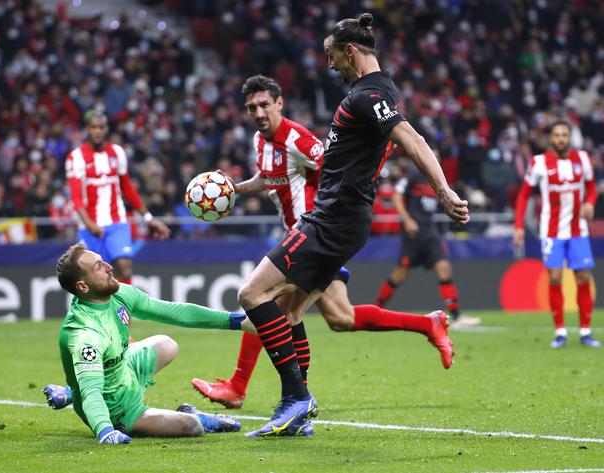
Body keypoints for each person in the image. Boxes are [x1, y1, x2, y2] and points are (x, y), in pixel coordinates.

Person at [234, 14, 469, 438]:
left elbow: (412, 140)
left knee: (251, 293)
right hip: (339, 217)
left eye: (330, 56)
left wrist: (444, 191)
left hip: (333, 219)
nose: (329, 66)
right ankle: (296, 413)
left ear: (350, 51)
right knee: (290, 313)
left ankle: (296, 398)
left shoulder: (370, 95)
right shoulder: (373, 91)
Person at [191, 75, 455, 412]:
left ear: (279, 103)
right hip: (302, 238)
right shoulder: (261, 140)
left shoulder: (297, 137)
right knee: (337, 317)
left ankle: (245, 387)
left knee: (266, 300)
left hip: (315, 236)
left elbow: (332, 167)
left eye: (264, 105)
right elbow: (270, 176)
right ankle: (426, 324)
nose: (258, 112)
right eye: (251, 107)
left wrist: (324, 217)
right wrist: (234, 190)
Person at [43, 243, 250, 444]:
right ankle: (197, 417)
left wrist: (237, 321)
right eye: (99, 266)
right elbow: (92, 393)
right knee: (191, 426)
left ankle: (71, 390)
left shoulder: (120, 294)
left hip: (125, 368)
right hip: (117, 408)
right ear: (83, 286)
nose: (109, 267)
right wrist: (105, 431)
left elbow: (174, 312)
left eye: (103, 262)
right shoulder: (85, 334)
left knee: (167, 345)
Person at [513, 120, 599, 349]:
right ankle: (560, 331)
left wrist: (590, 203)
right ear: (550, 138)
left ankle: (585, 331)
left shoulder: (583, 159)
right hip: (551, 232)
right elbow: (523, 195)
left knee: (583, 277)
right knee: (554, 278)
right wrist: (519, 226)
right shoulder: (539, 163)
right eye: (557, 135)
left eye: (564, 135)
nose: (561, 138)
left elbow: (591, 188)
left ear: (569, 137)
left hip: (578, 230)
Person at [66, 111, 170, 287]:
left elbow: (128, 188)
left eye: (101, 127)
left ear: (106, 129)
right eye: (93, 127)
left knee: (124, 267)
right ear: (88, 130)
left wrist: (148, 218)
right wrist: (90, 224)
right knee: (93, 278)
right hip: (89, 226)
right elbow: (76, 197)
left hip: (117, 221)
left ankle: (125, 313)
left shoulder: (117, 153)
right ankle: (98, 313)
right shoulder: (76, 157)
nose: (97, 131)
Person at [374, 161, 480, 328]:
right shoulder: (412, 177)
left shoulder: (436, 181)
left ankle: (457, 316)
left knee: (444, 268)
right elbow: (396, 196)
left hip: (430, 231)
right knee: (399, 275)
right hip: (414, 233)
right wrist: (407, 220)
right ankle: (375, 311)